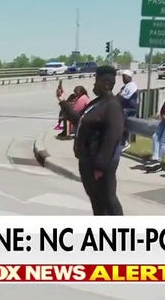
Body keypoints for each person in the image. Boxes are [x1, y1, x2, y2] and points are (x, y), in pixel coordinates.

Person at [57, 65, 125, 216]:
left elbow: (112, 137)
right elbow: (78, 119)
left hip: (100, 167)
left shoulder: (112, 106)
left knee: (108, 201)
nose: (94, 84)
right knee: (97, 202)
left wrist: (99, 167)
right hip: (87, 162)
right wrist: (63, 102)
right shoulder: (97, 103)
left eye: (97, 81)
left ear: (106, 84)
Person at [117, 70, 139, 150]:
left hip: (130, 109)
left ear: (129, 77)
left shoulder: (132, 86)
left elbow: (123, 98)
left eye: (124, 77)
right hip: (125, 108)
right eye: (122, 77)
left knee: (120, 117)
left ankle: (124, 142)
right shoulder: (125, 86)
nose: (123, 79)